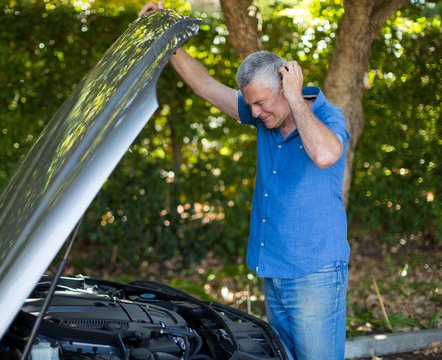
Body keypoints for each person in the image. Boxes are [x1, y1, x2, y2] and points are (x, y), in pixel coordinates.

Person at [140, 3, 351, 359]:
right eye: (250, 105)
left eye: (261, 103)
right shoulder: (264, 117)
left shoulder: (326, 117)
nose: (254, 112)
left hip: (314, 275)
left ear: (286, 87)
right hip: (275, 271)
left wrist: (297, 101)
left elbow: (326, 155)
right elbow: (205, 85)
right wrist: (167, 39)